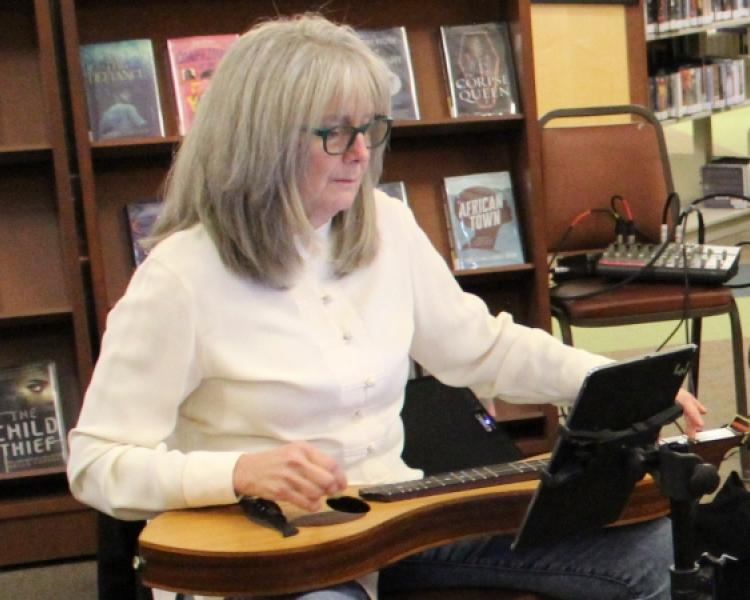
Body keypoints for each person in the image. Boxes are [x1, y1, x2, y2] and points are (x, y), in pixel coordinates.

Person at [67, 13, 706, 600]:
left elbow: (480, 348)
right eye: (335, 133)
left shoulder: (386, 227)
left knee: (655, 553)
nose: (360, 154)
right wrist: (237, 471)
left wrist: (615, 384)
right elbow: (96, 465)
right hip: (263, 553)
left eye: (371, 129)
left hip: (395, 525)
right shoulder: (179, 279)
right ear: (258, 140)